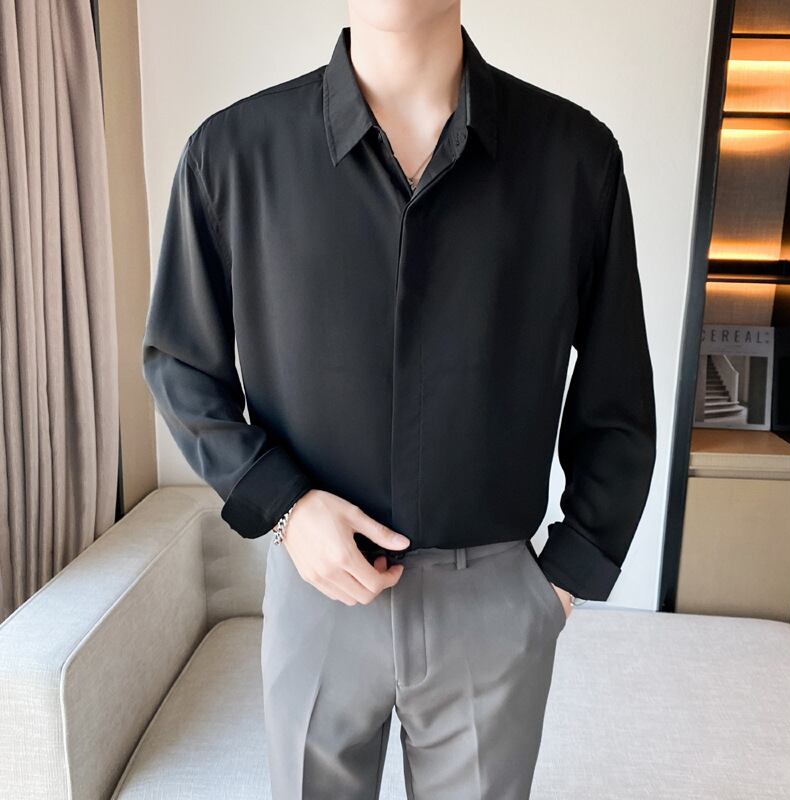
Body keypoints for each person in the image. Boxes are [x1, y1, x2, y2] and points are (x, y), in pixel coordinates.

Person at [142, 2, 657, 798]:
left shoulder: (573, 158)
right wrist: (285, 508)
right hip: (317, 590)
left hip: (493, 600)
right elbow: (181, 364)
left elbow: (618, 396)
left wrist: (562, 578)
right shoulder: (233, 153)